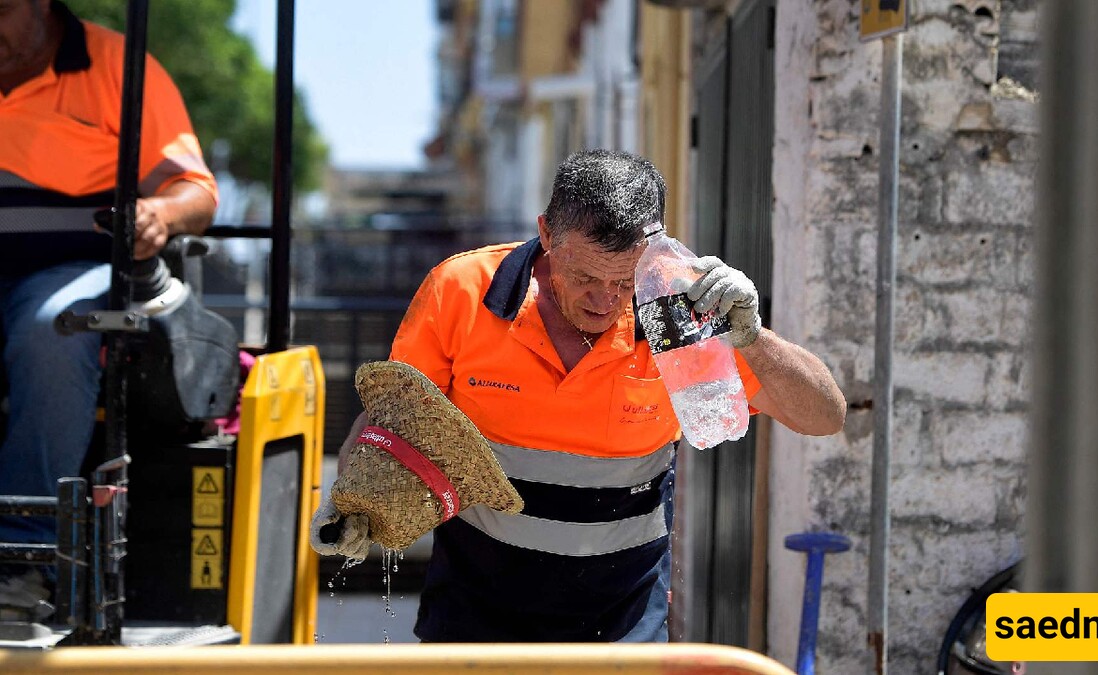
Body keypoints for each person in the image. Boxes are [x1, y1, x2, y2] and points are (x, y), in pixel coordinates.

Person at [312, 149, 846, 642]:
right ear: (546, 234)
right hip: (475, 613)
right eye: (586, 275)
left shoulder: (680, 311)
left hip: (620, 623)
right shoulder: (463, 291)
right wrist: (351, 495)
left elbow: (824, 416)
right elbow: (395, 418)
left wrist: (752, 338)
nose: (606, 300)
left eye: (624, 281)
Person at [0, 0, 217, 619]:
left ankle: (19, 560)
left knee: (54, 329)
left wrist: (160, 214)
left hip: (67, 272)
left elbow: (194, 193)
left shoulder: (117, 69)